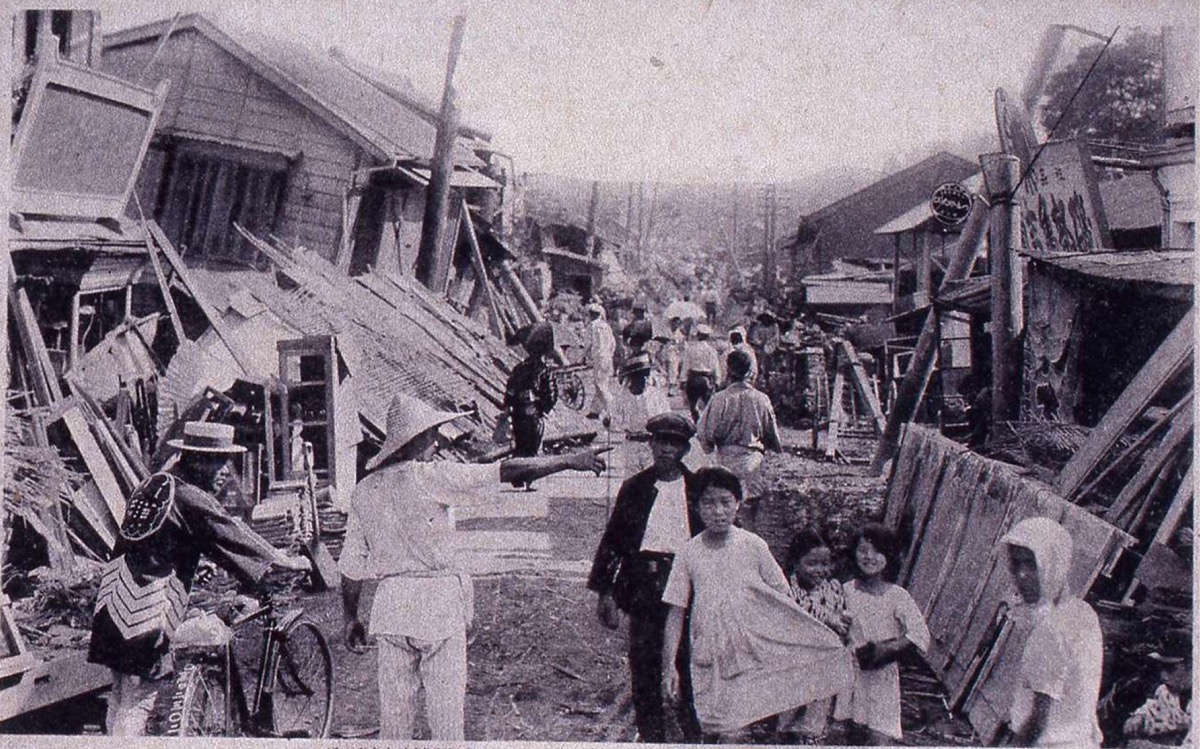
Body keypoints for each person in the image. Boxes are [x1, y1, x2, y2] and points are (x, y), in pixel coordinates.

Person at [340, 394, 608, 741]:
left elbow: (350, 566)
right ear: (416, 439)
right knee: (447, 719)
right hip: (437, 606)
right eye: (431, 433)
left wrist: (350, 617)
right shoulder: (431, 477)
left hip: (391, 609)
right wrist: (570, 460)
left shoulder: (364, 491)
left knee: (395, 721)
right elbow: (507, 470)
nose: (436, 441)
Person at [88, 421, 313, 736]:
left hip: (114, 600)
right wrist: (282, 560)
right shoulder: (190, 495)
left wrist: (191, 561)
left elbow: (162, 539)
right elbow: (228, 532)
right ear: (194, 459)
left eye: (226, 461)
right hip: (143, 609)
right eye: (216, 460)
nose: (224, 470)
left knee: (122, 695)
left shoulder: (154, 484)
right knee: (139, 700)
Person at [660, 467, 852, 742]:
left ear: (738, 504)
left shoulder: (753, 545)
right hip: (711, 649)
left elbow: (784, 597)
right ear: (696, 506)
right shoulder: (689, 553)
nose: (718, 511)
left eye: (725, 502)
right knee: (719, 727)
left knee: (738, 730)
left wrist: (816, 627)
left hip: (753, 648)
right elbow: (676, 611)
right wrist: (669, 666)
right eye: (709, 503)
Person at [587, 412, 705, 742]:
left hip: (687, 584)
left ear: (684, 449)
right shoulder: (635, 488)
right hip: (644, 587)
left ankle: (693, 732)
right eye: (661, 442)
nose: (667, 449)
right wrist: (605, 592)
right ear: (651, 444)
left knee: (688, 661)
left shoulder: (697, 489)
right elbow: (615, 540)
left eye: (675, 443)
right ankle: (651, 733)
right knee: (644, 663)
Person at [998, 517, 1104, 748]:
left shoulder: (1051, 629)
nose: (1022, 576)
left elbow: (1039, 719)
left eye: (1031, 564)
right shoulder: (1083, 612)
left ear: (1054, 563)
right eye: (1016, 565)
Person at [836, 523, 930, 745]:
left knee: (879, 734)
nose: (870, 557)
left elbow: (920, 634)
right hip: (851, 671)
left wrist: (887, 649)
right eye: (863, 550)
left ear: (888, 555)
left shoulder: (897, 596)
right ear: (854, 553)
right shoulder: (845, 590)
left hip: (882, 675)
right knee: (851, 730)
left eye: (878, 551)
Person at [695, 349, 781, 530]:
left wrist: (710, 446)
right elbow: (772, 435)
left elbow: (705, 434)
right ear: (750, 371)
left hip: (727, 460)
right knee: (750, 515)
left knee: (726, 512)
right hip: (752, 459)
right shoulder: (761, 399)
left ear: (728, 370)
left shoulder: (719, 399)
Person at [779, 529, 851, 743]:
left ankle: (812, 737)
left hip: (824, 664)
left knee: (816, 717)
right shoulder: (786, 588)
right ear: (795, 562)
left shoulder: (834, 587)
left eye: (825, 564)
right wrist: (829, 619)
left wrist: (844, 620)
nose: (820, 570)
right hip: (794, 663)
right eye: (812, 564)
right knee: (788, 716)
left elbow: (843, 616)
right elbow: (797, 610)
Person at [503, 320, 559, 456]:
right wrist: (541, 408)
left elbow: (509, 394)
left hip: (518, 415)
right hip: (533, 415)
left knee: (520, 448)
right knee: (532, 450)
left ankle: (518, 475)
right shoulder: (545, 371)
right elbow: (551, 397)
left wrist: (510, 408)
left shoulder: (519, 369)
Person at [611, 350, 670, 437]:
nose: (641, 379)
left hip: (650, 442)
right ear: (631, 377)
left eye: (644, 375)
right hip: (630, 442)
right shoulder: (622, 396)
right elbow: (613, 422)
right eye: (637, 376)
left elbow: (667, 418)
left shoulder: (655, 394)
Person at [583, 302, 617, 421]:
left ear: (591, 315)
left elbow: (587, 344)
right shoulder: (607, 326)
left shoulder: (591, 326)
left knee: (600, 385)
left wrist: (584, 356)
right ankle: (595, 410)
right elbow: (613, 343)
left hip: (599, 358)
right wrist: (610, 354)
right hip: (608, 358)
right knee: (603, 383)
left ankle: (613, 409)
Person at [681, 324, 721, 420]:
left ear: (698, 335)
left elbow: (685, 366)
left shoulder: (690, 349)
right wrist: (717, 381)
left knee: (693, 406)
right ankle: (707, 424)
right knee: (709, 406)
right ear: (707, 337)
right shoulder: (711, 350)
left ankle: (697, 424)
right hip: (706, 379)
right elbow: (716, 367)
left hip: (693, 379)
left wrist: (683, 380)